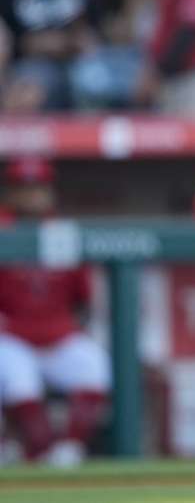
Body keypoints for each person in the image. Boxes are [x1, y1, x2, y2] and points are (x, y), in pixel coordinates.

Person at [0, 157, 109, 467]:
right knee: (21, 380)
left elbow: (84, 299)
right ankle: (39, 450)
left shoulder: (63, 231)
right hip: (11, 337)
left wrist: (73, 327)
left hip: (56, 334)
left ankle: (69, 449)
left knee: (94, 365)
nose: (33, 195)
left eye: (38, 188)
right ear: (11, 192)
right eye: (25, 188)